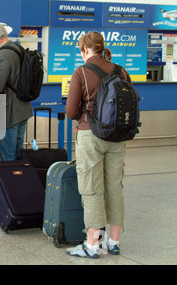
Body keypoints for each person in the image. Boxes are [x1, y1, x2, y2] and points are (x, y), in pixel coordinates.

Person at [65, 31, 132, 259]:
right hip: (118, 136)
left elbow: (72, 111)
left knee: (92, 189)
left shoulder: (81, 72)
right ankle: (113, 242)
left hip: (90, 136)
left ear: (84, 50)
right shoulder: (121, 71)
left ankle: (92, 245)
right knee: (114, 186)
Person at [0, 22, 32, 161]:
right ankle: (18, 182)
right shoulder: (18, 49)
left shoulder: (2, 56)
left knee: (7, 159)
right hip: (22, 110)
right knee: (17, 155)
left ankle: (10, 183)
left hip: (9, 115)